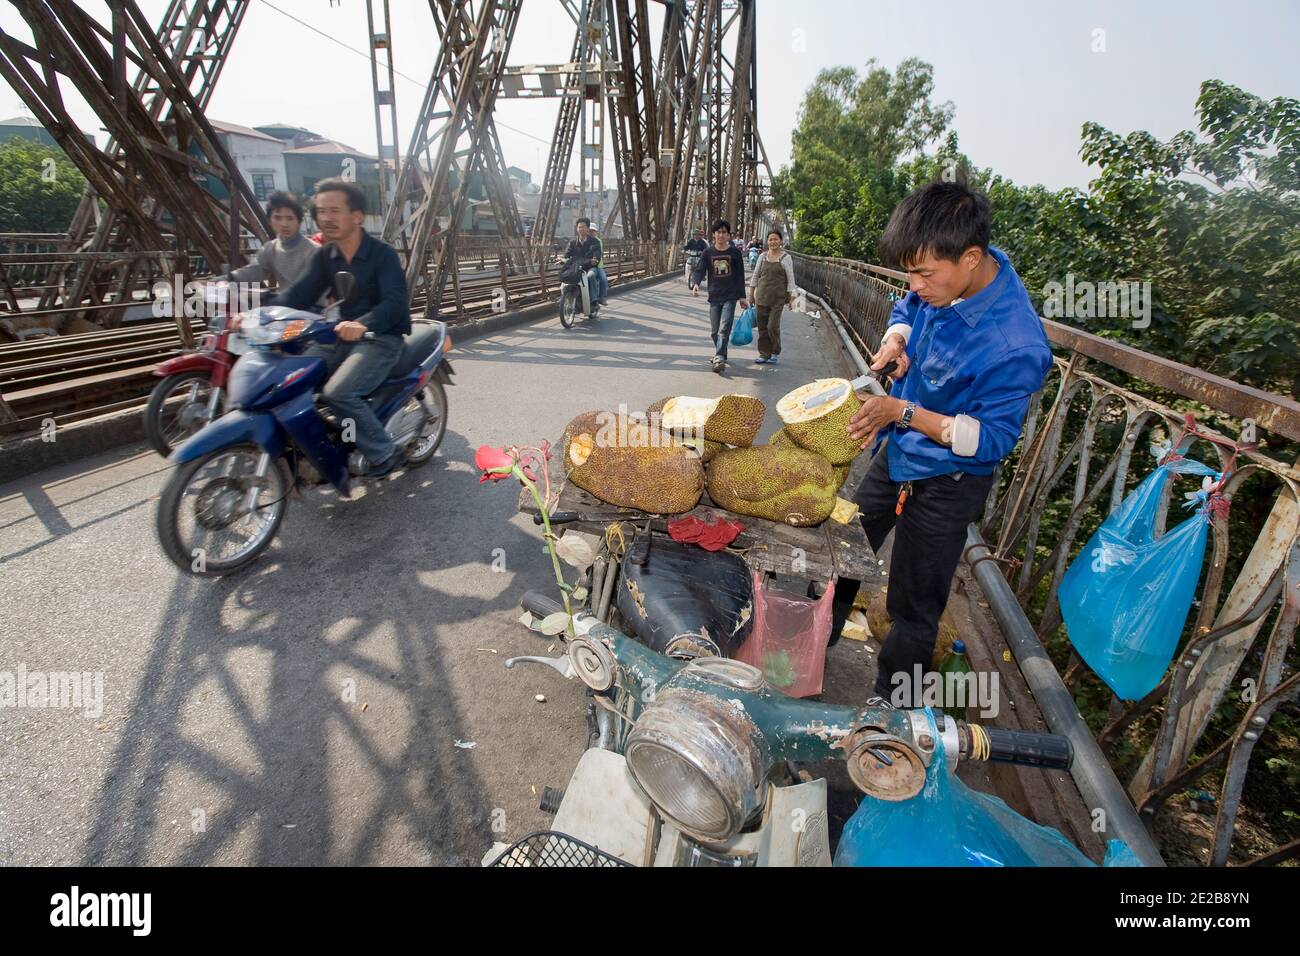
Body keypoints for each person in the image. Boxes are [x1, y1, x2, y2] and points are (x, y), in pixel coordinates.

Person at [838, 180, 1052, 706]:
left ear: (972, 258)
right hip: (901, 448)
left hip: (950, 480)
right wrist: (897, 340)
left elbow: (992, 439)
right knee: (847, 545)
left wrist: (905, 412)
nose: (913, 284)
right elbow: (907, 306)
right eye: (909, 271)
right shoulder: (943, 274)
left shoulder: (1015, 345)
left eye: (923, 274)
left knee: (914, 600)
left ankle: (892, 702)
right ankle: (813, 632)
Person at [273, 178, 411, 479]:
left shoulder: (382, 254)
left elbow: (395, 302)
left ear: (357, 216)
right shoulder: (327, 255)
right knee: (291, 379)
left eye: (334, 211)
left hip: (381, 337)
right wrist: (256, 315)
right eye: (321, 211)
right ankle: (323, 445)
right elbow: (298, 294)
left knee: (339, 391)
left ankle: (384, 453)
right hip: (338, 333)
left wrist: (362, 324)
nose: (326, 218)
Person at [227, 191, 319, 289]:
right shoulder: (270, 249)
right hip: (284, 302)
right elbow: (255, 271)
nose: (284, 224)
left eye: (290, 218)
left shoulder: (313, 251)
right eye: (277, 218)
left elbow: (311, 289)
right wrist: (228, 278)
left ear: (299, 221)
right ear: (270, 221)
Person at [690, 218, 748, 373]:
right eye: (718, 232)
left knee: (724, 329)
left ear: (729, 235)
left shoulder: (734, 253)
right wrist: (695, 284)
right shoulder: (708, 252)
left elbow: (740, 276)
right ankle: (722, 353)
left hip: (730, 296)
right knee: (715, 331)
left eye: (724, 232)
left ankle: (719, 358)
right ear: (714, 234)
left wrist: (742, 296)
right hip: (714, 296)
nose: (721, 235)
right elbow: (700, 270)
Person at [746, 228, 796, 366]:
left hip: (778, 298)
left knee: (772, 326)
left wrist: (792, 297)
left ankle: (774, 351)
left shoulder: (786, 258)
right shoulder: (762, 257)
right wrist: (751, 295)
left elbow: (791, 278)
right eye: (770, 239)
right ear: (767, 242)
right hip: (761, 297)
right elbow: (755, 276)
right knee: (762, 327)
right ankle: (764, 353)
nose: (773, 242)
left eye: (775, 239)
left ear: (780, 241)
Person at [562, 217, 603, 314]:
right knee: (566, 276)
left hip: (590, 268)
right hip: (576, 267)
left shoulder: (594, 242)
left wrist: (593, 261)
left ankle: (594, 301)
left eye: (583, 227)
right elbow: (567, 254)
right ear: (577, 228)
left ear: (588, 228)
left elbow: (596, 258)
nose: (581, 229)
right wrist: (562, 259)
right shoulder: (572, 242)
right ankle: (566, 298)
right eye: (579, 227)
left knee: (591, 276)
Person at [588, 223, 609, 305]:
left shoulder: (598, 241)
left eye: (593, 231)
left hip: (598, 265)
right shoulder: (584, 240)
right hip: (587, 264)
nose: (591, 232)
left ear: (596, 232)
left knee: (603, 279)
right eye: (590, 231)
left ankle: (602, 297)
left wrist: (595, 260)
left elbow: (599, 254)